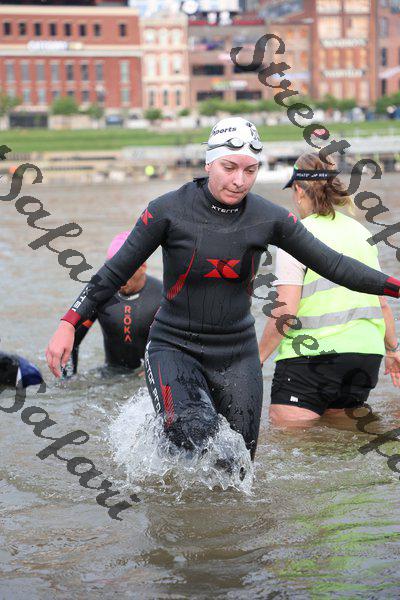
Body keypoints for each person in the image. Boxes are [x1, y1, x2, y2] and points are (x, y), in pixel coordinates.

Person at [46, 117, 400, 463]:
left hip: (237, 355)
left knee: (238, 465)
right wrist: (69, 322)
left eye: (250, 170)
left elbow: (335, 265)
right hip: (175, 346)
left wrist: (396, 288)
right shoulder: (167, 210)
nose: (239, 180)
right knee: (193, 430)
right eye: (229, 167)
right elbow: (114, 272)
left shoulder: (269, 217)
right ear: (209, 162)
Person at [259, 151, 400, 425]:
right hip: (365, 358)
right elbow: (381, 301)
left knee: (289, 439)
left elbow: (286, 310)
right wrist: (393, 351)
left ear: (299, 190)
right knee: (340, 435)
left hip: (310, 359)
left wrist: (258, 358)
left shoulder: (296, 235)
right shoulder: (361, 233)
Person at [62, 231, 162, 377]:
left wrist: (157, 371)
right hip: (110, 377)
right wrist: (68, 380)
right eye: (115, 272)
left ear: (143, 266)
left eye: (126, 270)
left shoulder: (162, 296)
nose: (120, 277)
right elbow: (72, 342)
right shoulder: (100, 295)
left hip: (147, 380)